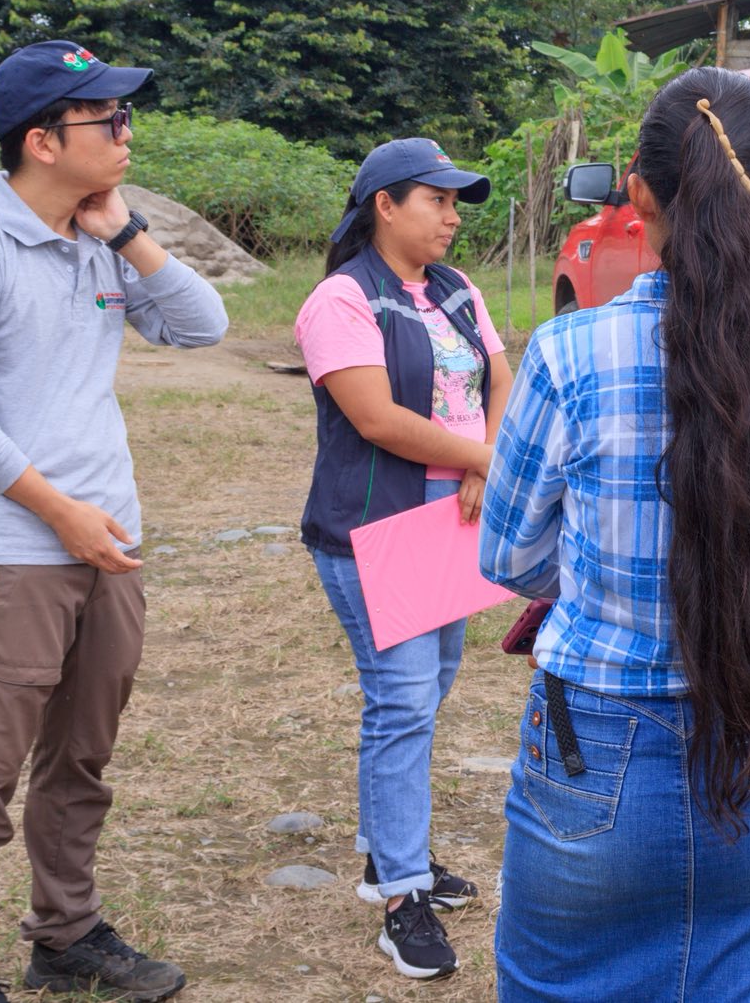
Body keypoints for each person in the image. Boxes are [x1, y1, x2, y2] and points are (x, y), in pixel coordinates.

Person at [480, 69, 750, 1003]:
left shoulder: (567, 352)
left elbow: (510, 556)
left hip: (596, 743)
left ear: (640, 195)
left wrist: (599, 581)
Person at [0, 41, 228, 1003]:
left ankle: (67, 933)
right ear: (42, 141)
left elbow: (203, 325)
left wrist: (126, 232)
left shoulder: (98, 240)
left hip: (108, 546)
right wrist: (60, 514)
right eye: (108, 120)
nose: (127, 133)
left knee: (81, 760)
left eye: (126, 116)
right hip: (14, 554)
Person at [293, 137, 510, 983]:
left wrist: (482, 460)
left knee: (430, 686)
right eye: (437, 201)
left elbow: (499, 378)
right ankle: (401, 897)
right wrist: (485, 459)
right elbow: (376, 418)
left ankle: (390, 852)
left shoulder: (455, 289)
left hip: (448, 523)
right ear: (384, 205)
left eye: (456, 204)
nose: (453, 218)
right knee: (403, 701)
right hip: (376, 527)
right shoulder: (343, 299)